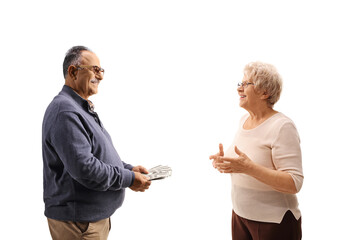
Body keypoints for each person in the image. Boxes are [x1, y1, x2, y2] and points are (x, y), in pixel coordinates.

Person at [42, 46, 151, 240]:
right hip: (79, 225)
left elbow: (96, 154)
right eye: (95, 69)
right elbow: (85, 168)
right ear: (73, 71)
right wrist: (128, 178)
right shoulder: (66, 112)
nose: (100, 76)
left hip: (89, 221)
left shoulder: (79, 108)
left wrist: (129, 169)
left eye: (101, 70)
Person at [209, 62, 303, 240]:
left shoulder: (282, 126)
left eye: (246, 84)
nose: (239, 89)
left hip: (274, 223)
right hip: (240, 216)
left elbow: (294, 183)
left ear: (265, 92)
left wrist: (248, 168)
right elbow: (243, 163)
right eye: (240, 83)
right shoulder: (244, 120)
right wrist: (224, 162)